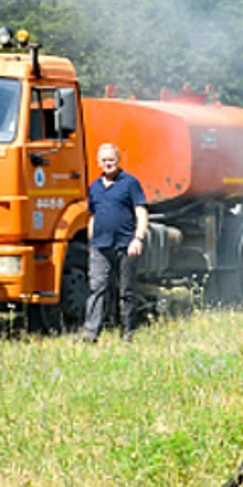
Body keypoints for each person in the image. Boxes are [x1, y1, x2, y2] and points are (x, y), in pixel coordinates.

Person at [82, 143, 149, 343]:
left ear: (118, 160)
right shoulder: (94, 187)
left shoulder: (130, 183)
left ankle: (128, 332)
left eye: (111, 160)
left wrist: (138, 239)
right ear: (98, 162)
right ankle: (90, 334)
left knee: (126, 291)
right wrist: (91, 240)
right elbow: (93, 215)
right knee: (97, 288)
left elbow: (141, 212)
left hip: (125, 244)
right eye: (104, 160)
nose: (108, 163)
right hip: (100, 246)